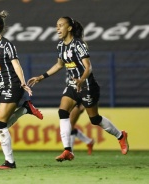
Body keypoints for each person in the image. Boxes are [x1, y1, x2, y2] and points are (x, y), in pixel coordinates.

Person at [27, 16, 129, 162]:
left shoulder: (78, 44)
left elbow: (88, 67)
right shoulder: (60, 46)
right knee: (62, 111)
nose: (57, 28)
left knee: (95, 119)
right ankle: (67, 150)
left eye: (60, 25)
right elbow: (59, 65)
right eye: (56, 25)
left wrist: (81, 80)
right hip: (73, 85)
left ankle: (121, 135)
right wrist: (41, 77)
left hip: (87, 85)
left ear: (69, 28)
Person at [0, 10, 43, 170]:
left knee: (1, 125)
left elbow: (15, 64)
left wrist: (23, 83)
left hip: (12, 86)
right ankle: (25, 109)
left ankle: (9, 162)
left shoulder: (6, 45)